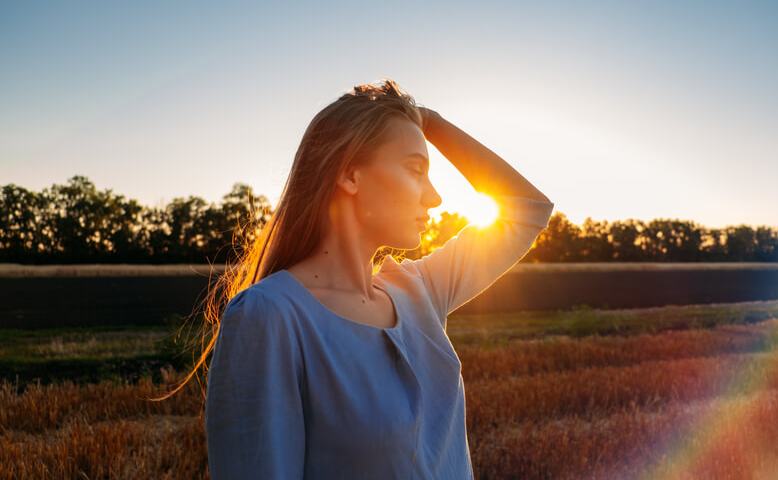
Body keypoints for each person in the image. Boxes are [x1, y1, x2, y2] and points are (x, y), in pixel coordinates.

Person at [202, 79, 554, 479]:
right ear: (349, 176)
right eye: (415, 170)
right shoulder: (270, 315)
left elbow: (527, 210)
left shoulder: (419, 291)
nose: (434, 197)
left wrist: (430, 122)